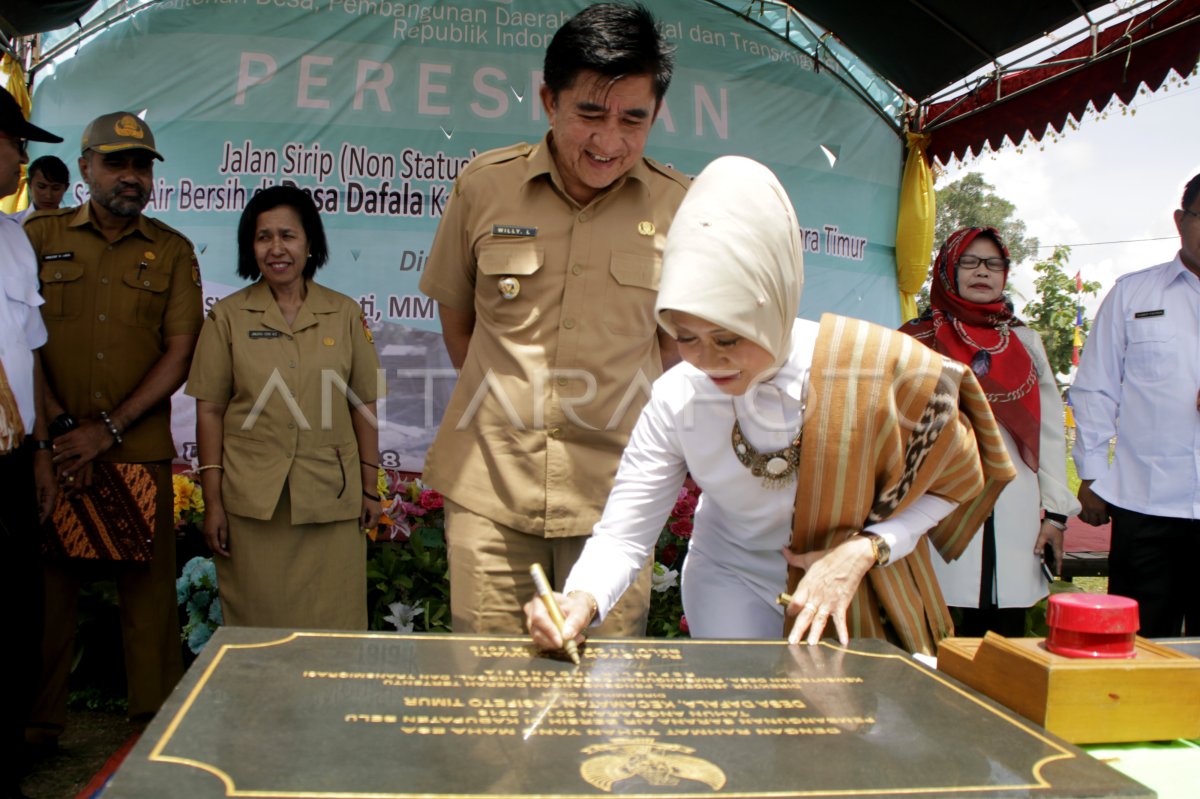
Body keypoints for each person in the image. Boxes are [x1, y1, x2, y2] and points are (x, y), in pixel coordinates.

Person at [526, 156, 1014, 655]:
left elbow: (956, 483)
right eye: (686, 336)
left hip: (862, 578)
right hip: (729, 577)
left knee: (856, 722)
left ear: (776, 308)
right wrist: (579, 601)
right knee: (741, 719)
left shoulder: (873, 369)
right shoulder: (678, 396)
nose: (708, 359)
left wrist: (867, 548)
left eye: (729, 338)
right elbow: (625, 536)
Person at [418, 2, 689, 635]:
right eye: (589, 114)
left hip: (615, 509)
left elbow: (676, 351)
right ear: (549, 100)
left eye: (632, 119)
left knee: (602, 711)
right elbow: (459, 324)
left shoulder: (680, 208)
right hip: (491, 491)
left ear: (655, 114)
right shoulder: (484, 187)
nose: (608, 141)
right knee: (486, 705)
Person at [25, 111, 201, 746]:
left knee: (148, 597)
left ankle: (154, 729)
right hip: (50, 448)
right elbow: (20, 344)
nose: (132, 177)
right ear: (85, 168)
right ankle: (37, 727)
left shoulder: (173, 250)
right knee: (46, 596)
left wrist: (109, 429)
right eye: (117, 163)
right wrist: (57, 434)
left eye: (142, 166)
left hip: (136, 448)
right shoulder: (36, 237)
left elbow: (179, 352)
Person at [185, 185, 382, 629]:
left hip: (330, 499)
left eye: (288, 236)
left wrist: (370, 489)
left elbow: (363, 404)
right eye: (263, 237)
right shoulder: (228, 317)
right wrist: (213, 502)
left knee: (334, 626)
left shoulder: (345, 313)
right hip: (253, 504)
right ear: (249, 247)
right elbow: (210, 411)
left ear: (310, 243)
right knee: (258, 630)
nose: (276, 249)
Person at [901, 228, 1080, 637]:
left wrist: (1055, 515)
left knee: (1005, 642)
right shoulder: (915, 339)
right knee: (938, 634)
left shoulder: (1024, 341)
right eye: (970, 262)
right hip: (937, 508)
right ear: (948, 268)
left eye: (993, 263)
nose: (982, 272)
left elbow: (1049, 433)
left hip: (1013, 513)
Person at [1071, 173, 1200, 637]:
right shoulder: (1133, 294)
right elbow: (1095, 389)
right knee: (1141, 645)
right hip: (1146, 506)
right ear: (1181, 221)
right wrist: (1091, 475)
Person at [0, 86, 60, 799]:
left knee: (17, 614)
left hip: (13, 461)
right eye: (17, 142)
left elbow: (32, 352)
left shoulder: (15, 238)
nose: (23, 157)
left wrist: (43, 448)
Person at [9, 155, 69, 223]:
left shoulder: (72, 225)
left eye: (56, 188)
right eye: (41, 187)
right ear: (29, 184)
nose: (48, 195)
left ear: (66, 188)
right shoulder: (11, 224)